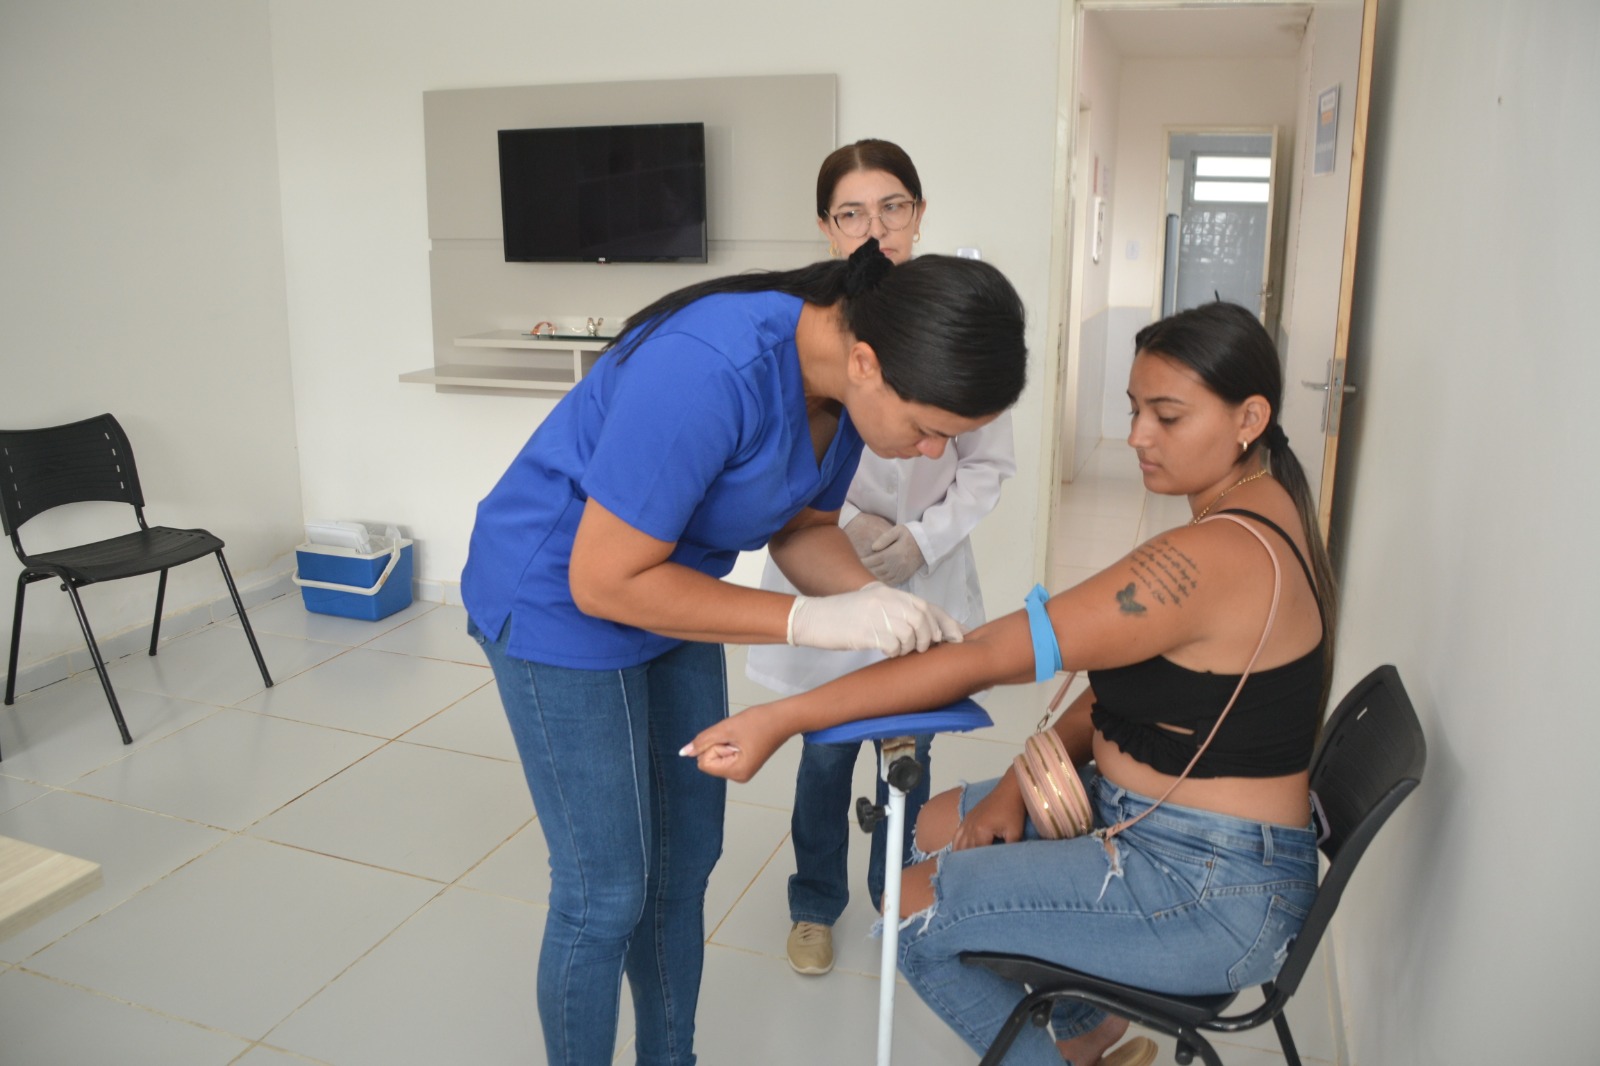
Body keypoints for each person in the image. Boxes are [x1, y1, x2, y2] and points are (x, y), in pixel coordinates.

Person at [686, 301, 1338, 1066]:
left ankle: (1061, 1053)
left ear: (1248, 417)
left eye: (1167, 415)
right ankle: (1088, 1033)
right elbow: (1134, 689)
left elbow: (984, 655)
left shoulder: (1213, 558)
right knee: (927, 827)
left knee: (910, 907)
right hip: (1183, 838)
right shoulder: (1256, 510)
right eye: (1134, 410)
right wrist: (1019, 785)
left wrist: (787, 716)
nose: (1136, 436)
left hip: (1206, 889)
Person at [461, 239, 1027, 1066]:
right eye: (930, 430)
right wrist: (804, 624)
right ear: (868, 362)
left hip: (670, 595)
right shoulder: (709, 367)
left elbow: (800, 525)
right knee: (606, 891)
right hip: (560, 601)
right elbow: (603, 581)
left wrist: (862, 599)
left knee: (687, 861)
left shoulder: (837, 391)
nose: (934, 453)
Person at [744, 138, 1017, 977]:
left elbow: (988, 464)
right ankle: (814, 904)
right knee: (824, 755)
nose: (876, 229)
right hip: (825, 564)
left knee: (909, 754)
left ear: (920, 212)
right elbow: (793, 456)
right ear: (827, 228)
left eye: (892, 206)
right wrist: (854, 530)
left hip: (927, 571)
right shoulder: (809, 327)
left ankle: (894, 899)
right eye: (852, 213)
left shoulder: (958, 314)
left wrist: (920, 541)